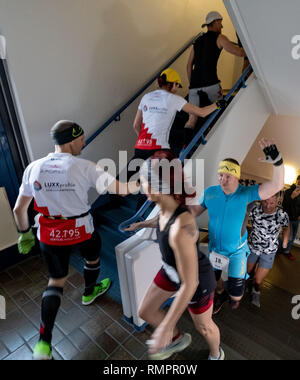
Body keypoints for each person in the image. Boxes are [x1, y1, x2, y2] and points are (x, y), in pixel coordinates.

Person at [13, 120, 136, 360]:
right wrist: (145, 182)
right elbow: (122, 190)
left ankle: (43, 345)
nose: (85, 143)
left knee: (56, 281)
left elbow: (20, 209)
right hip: (81, 229)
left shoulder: (33, 167)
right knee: (92, 259)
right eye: (81, 139)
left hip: (49, 232)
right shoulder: (85, 166)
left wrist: (24, 233)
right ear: (71, 140)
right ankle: (89, 292)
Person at [126, 150, 225, 361]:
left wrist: (165, 328)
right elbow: (162, 219)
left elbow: (190, 284)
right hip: (171, 270)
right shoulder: (164, 206)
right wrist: (143, 223)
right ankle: (177, 339)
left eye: (143, 181)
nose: (141, 186)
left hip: (196, 282)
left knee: (204, 327)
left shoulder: (182, 227)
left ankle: (217, 354)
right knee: (146, 311)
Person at [189, 138, 285, 314]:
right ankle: (219, 293)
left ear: (237, 177)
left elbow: (277, 185)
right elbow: (191, 212)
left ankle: (230, 297)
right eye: (220, 175)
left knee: (236, 295)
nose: (222, 179)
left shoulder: (246, 193)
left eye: (228, 176)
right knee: (214, 282)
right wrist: (168, 209)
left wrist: (278, 163)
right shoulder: (210, 192)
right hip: (215, 249)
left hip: (236, 252)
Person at [122, 67, 226, 183]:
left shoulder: (146, 97)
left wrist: (145, 142)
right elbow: (201, 113)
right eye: (178, 85)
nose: (177, 89)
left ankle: (115, 197)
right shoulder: (174, 99)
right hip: (159, 149)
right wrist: (217, 104)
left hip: (140, 147)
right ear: (173, 84)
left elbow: (136, 125)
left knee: (126, 179)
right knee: (156, 185)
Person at [185, 11, 246, 133]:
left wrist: (193, 85)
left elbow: (188, 65)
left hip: (194, 87)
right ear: (216, 22)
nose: (222, 26)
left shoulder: (197, 41)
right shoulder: (220, 38)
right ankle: (219, 134)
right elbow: (239, 53)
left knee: (192, 118)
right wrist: (249, 47)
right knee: (220, 107)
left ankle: (185, 145)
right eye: (221, 23)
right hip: (212, 85)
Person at [247, 194, 290, 307]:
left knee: (258, 280)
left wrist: (285, 241)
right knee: (247, 272)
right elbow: (242, 220)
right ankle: (249, 283)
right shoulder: (254, 209)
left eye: (272, 203)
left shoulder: (282, 215)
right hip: (253, 247)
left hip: (269, 250)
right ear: (262, 200)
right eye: (265, 202)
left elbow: (286, 227)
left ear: (277, 201)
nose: (268, 206)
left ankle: (256, 291)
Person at [280, 175, 300, 260]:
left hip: (297, 219)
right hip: (288, 218)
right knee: (289, 237)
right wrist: (292, 196)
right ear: (297, 180)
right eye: (299, 180)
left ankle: (285, 250)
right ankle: (284, 251)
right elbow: (284, 205)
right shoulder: (288, 191)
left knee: (292, 237)